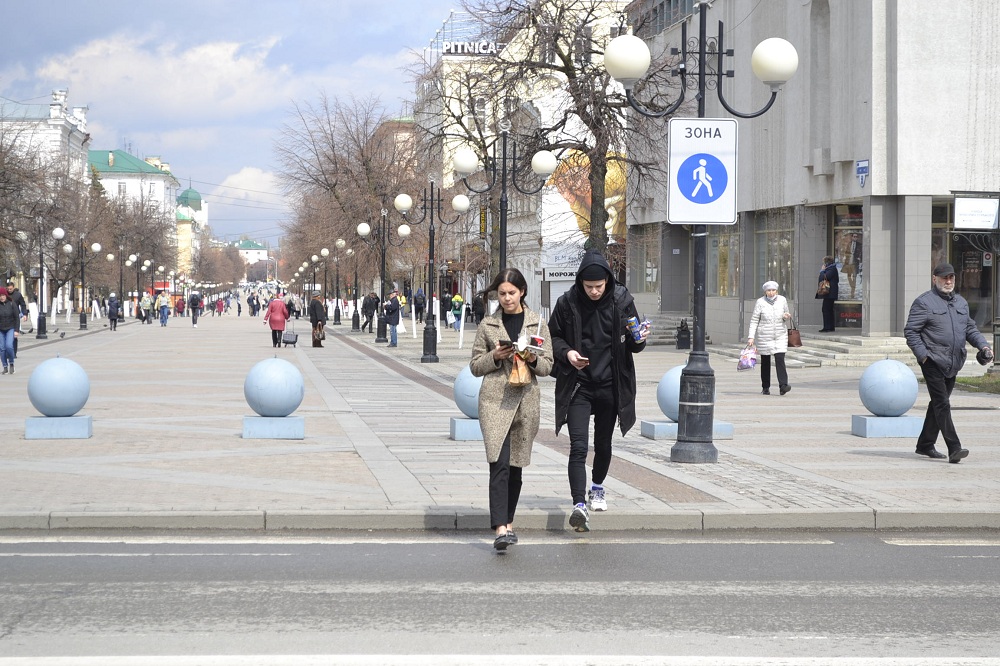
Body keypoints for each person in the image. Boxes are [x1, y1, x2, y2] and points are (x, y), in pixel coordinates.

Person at [549, 250, 649, 533]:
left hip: (610, 384)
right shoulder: (567, 303)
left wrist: (639, 338)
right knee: (578, 446)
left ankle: (597, 488)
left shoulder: (622, 301)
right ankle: (578, 505)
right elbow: (553, 336)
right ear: (581, 282)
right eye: (588, 286)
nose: (593, 292)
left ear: (607, 281)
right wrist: (567, 353)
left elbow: (634, 343)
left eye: (599, 286)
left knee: (603, 445)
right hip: (579, 384)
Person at [470, 268, 554, 550]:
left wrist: (531, 357)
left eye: (511, 293)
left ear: (522, 292)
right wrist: (494, 356)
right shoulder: (488, 325)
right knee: (499, 463)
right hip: (494, 400)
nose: (506, 299)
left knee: (516, 466)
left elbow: (547, 366)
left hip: (526, 400)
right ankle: (500, 528)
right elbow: (474, 366)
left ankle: (509, 522)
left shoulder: (538, 324)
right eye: (502, 294)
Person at [904, 263, 993, 464]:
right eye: (944, 278)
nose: (948, 281)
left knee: (937, 403)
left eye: (951, 277)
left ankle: (925, 445)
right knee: (943, 403)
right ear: (934, 278)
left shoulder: (961, 303)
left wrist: (984, 347)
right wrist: (923, 356)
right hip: (932, 360)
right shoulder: (924, 303)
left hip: (953, 362)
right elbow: (911, 331)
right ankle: (955, 448)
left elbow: (970, 329)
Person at [747, 281, 793, 395]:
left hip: (780, 335)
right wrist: (751, 337)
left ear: (776, 291)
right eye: (769, 291)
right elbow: (754, 320)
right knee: (765, 361)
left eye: (773, 290)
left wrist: (785, 316)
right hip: (764, 335)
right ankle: (765, 386)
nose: (771, 293)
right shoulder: (760, 302)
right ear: (765, 291)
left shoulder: (782, 300)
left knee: (780, 359)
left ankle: (783, 385)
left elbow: (786, 313)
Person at [817, 255, 840, 332]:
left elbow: (824, 277)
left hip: (830, 293)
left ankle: (828, 327)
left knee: (826, 309)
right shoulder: (832, 268)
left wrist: (822, 271)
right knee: (828, 309)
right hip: (830, 293)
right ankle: (829, 326)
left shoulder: (831, 269)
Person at [0, 287, 20, 374]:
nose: (1, 297)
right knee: (2, 348)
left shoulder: (12, 303)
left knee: (9, 346)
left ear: (6, 295)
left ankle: (11, 363)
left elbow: (17, 318)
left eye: (3, 295)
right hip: (1, 329)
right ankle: (5, 366)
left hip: (10, 328)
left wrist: (16, 330)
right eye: (0, 296)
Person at [6, 281, 27, 357]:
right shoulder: (4, 295)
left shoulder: (18, 295)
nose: (9, 290)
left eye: (11, 289)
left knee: (14, 335)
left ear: (13, 287)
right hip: (5, 318)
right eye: (8, 289)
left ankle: (14, 352)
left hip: (15, 318)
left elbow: (23, 304)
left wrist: (25, 314)